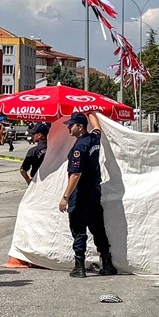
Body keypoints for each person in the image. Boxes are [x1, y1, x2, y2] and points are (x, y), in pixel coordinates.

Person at [58, 112, 115, 278]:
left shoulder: (80, 147)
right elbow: (97, 128)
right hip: (94, 193)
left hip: (80, 194)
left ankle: (79, 267)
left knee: (79, 229)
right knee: (98, 228)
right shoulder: (94, 139)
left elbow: (76, 174)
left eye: (71, 125)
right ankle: (108, 264)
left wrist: (65, 197)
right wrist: (91, 112)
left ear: (80, 127)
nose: (69, 127)